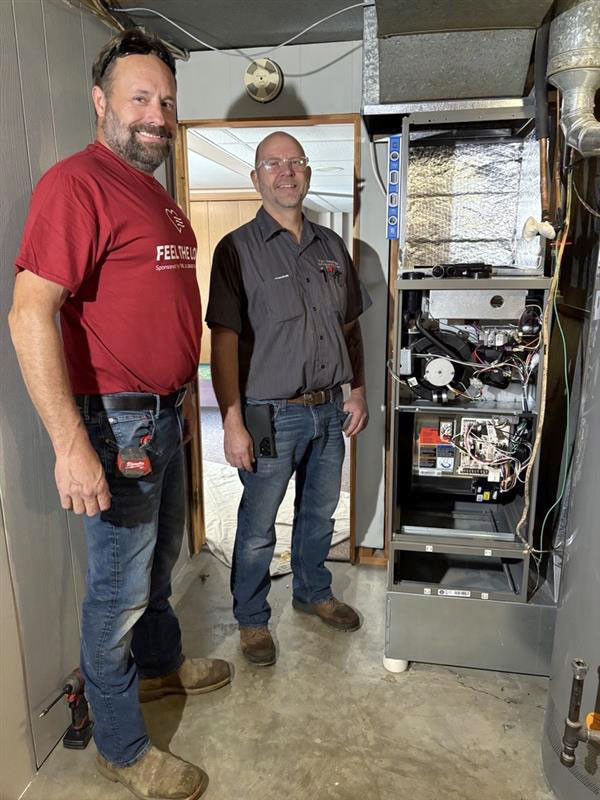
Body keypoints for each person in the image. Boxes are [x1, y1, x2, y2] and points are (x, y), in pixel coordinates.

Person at [9, 28, 230, 800]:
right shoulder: (77, 185)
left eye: (165, 101)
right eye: (140, 98)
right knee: (118, 592)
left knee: (157, 570)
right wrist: (70, 445)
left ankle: (163, 670)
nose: (156, 115)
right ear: (100, 103)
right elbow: (30, 313)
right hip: (115, 422)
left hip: (166, 413)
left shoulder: (157, 196)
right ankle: (122, 744)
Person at [206, 131, 370, 667]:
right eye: (272, 164)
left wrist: (359, 391)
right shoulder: (236, 250)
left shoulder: (330, 248)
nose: (286, 171)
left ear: (307, 172)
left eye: (295, 162)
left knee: (320, 513)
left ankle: (312, 590)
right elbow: (224, 340)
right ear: (256, 178)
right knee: (257, 528)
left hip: (328, 409)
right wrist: (232, 421)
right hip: (270, 415)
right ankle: (252, 619)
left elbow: (349, 327)